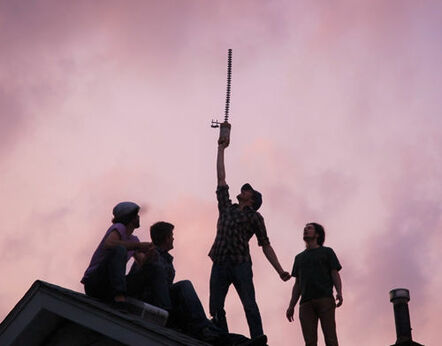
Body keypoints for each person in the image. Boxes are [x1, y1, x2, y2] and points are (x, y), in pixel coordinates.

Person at [209, 122, 291, 339]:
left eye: (247, 190)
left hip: (240, 264)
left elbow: (266, 246)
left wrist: (280, 270)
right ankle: (221, 337)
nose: (243, 190)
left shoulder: (255, 217)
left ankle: (258, 339)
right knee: (215, 307)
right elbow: (221, 178)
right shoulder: (227, 206)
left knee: (249, 305)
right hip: (219, 261)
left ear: (252, 200)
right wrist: (220, 149)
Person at [133, 221, 268, 346]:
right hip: (157, 303)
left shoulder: (166, 258)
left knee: (209, 331)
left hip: (171, 305)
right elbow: (141, 278)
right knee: (185, 286)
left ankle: (240, 341)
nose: (173, 238)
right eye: (172, 236)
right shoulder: (149, 254)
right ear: (166, 238)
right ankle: (208, 329)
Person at [81, 201, 159, 308]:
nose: (138, 217)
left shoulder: (133, 239)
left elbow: (142, 262)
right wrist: (139, 245)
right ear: (129, 217)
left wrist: (150, 254)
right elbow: (109, 244)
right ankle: (120, 297)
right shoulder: (119, 227)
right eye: (136, 215)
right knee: (119, 249)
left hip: (108, 287)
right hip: (95, 282)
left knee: (149, 269)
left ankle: (139, 301)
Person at [286, 223, 343, 346]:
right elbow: (297, 284)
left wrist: (339, 292)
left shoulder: (327, 252)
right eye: (304, 228)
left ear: (317, 234)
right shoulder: (299, 258)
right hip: (305, 303)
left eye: (309, 228)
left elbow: (335, 273)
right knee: (310, 342)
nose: (305, 229)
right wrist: (291, 306)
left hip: (325, 299)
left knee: (330, 338)